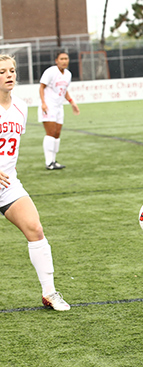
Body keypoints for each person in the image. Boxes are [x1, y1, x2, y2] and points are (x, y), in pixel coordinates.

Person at [0, 54, 70, 311]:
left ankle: (50, 293)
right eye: (2, 72)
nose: (9, 75)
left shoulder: (20, 106)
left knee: (35, 229)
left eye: (12, 70)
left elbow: (11, 148)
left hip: (8, 186)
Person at [39, 51, 80, 170]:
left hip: (59, 107)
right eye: (61, 59)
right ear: (56, 60)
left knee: (57, 134)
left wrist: (72, 102)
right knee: (50, 133)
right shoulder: (50, 71)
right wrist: (43, 103)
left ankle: (53, 160)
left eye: (66, 58)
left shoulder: (68, 74)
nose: (64, 61)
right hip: (48, 106)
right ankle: (48, 162)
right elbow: (41, 87)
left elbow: (64, 90)